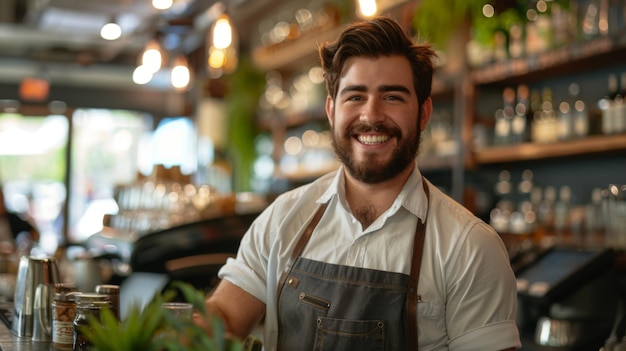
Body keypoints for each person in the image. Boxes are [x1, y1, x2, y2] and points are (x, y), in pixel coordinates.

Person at [201, 17, 521, 350]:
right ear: (331, 110)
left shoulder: (470, 248)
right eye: (355, 97)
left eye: (393, 97)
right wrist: (190, 327)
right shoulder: (282, 218)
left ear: (423, 113)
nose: (371, 115)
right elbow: (225, 313)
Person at [0, 188, 40, 253]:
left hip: (10, 258)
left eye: (1, 200)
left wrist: (25, 245)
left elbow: (34, 233)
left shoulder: (12, 218)